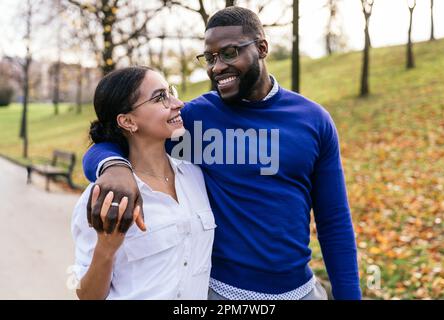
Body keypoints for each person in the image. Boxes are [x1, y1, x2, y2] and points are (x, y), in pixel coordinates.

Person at [82, 7, 361, 300]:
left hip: (301, 291)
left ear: (262, 48)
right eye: (210, 58)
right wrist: (114, 168)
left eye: (229, 53)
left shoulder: (314, 120)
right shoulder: (196, 118)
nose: (216, 67)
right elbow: (114, 138)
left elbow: (334, 222)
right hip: (219, 292)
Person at [72, 66, 216, 300]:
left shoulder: (194, 177)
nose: (178, 103)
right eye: (160, 97)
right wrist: (105, 250)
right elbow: (86, 295)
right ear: (128, 121)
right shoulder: (105, 197)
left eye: (170, 91)